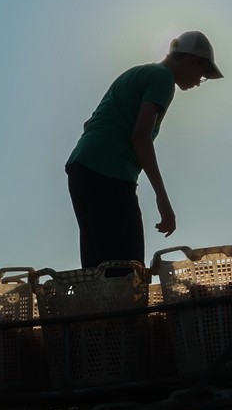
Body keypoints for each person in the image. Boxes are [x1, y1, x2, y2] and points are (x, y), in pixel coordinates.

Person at [66, 31, 223, 268]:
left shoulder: (138, 73)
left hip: (83, 168)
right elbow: (141, 136)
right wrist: (162, 198)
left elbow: (91, 124)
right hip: (109, 174)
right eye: (202, 75)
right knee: (128, 267)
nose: (199, 82)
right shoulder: (163, 78)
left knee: (99, 265)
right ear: (192, 60)